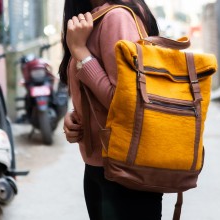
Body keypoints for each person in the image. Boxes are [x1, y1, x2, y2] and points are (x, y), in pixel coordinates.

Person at [58, 0, 163, 219]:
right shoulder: (93, 18)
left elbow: (128, 104)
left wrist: (80, 51)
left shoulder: (117, 18)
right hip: (103, 168)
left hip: (124, 175)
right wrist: (75, 117)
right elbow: (98, 95)